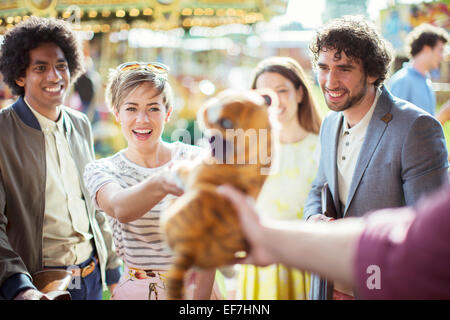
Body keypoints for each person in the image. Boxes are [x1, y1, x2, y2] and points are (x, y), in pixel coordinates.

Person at [304, 16, 449, 299]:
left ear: (372, 72)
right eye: (323, 68)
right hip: (327, 286)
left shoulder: (416, 128)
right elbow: (317, 187)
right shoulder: (329, 123)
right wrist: (314, 221)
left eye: (343, 69)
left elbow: (426, 232)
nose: (329, 80)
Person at [0, 17, 121, 300]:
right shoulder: (3, 132)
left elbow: (94, 202)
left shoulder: (79, 123)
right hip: (38, 286)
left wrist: (114, 270)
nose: (55, 76)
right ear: (20, 75)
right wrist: (19, 288)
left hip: (92, 277)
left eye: (61, 66)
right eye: (40, 68)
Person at [83, 61, 217, 300]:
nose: (142, 119)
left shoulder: (195, 159)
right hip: (137, 291)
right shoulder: (102, 169)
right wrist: (163, 181)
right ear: (117, 113)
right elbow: (119, 207)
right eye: (131, 109)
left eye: (153, 108)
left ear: (167, 112)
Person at [217, 183, 450, 300]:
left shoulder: (416, 125)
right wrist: (267, 235)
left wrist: (265, 236)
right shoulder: (330, 126)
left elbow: (404, 249)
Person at [235, 56, 322, 300]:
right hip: (259, 268)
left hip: (305, 264)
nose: (273, 100)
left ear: (300, 93)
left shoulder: (322, 147)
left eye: (282, 90)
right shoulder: (247, 149)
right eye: (264, 93)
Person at [388, 24, 449, 116]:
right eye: (440, 50)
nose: (442, 57)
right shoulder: (403, 80)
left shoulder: (426, 82)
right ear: (427, 49)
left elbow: (426, 126)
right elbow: (392, 123)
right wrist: (444, 114)